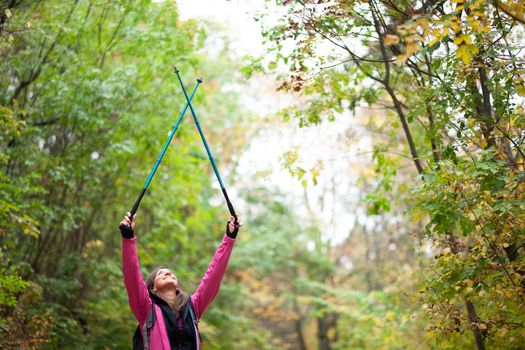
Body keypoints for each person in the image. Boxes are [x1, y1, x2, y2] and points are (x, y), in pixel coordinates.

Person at [119, 212, 241, 350]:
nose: (168, 272)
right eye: (161, 273)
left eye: (171, 272)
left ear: (177, 287)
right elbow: (132, 276)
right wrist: (128, 238)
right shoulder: (146, 310)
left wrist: (229, 237)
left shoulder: (193, 307)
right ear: (153, 288)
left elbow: (213, 276)